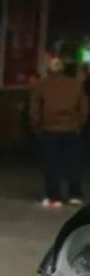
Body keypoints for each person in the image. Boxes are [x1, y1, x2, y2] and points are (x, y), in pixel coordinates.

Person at [31, 51, 87, 208]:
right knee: (73, 163)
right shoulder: (75, 85)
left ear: (49, 70)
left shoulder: (42, 85)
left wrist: (37, 127)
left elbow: (35, 110)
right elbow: (84, 109)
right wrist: (78, 125)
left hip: (49, 130)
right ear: (63, 69)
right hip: (71, 129)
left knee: (51, 164)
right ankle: (74, 194)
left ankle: (54, 196)